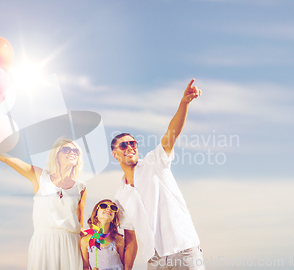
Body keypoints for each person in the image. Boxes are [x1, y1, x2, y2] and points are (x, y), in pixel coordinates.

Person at [112, 78, 205, 270]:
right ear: (115, 154)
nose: (130, 147)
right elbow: (130, 238)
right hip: (154, 261)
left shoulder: (155, 162)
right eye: (124, 144)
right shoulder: (120, 196)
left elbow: (171, 133)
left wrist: (184, 103)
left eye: (133, 143)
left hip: (184, 250)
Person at [0, 138, 87, 270]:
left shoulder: (81, 188)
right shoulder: (40, 176)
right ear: (56, 155)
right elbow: (7, 159)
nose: (72, 153)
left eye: (75, 150)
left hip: (71, 244)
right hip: (44, 241)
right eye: (66, 149)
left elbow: (80, 226)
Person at [81, 199, 125, 270]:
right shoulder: (85, 241)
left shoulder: (118, 240)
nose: (108, 208)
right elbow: (85, 266)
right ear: (96, 215)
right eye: (103, 206)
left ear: (113, 219)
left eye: (113, 208)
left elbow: (123, 265)